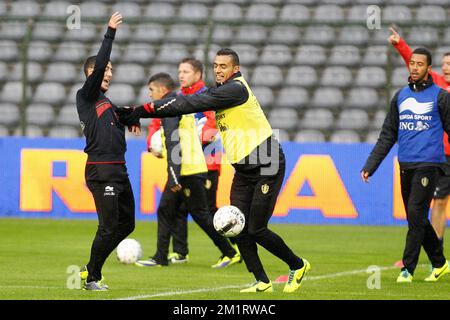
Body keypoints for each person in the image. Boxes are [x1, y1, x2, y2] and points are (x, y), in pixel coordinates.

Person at [118, 48, 309, 293]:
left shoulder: (236, 89)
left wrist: (140, 110)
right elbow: (183, 102)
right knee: (235, 225)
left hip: (267, 163)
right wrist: (141, 111)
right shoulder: (220, 91)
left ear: (235, 69)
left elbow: (188, 102)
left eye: (224, 66)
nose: (218, 69)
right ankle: (262, 281)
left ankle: (298, 264)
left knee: (256, 228)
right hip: (244, 169)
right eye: (216, 65)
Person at [361, 47, 450, 283]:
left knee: (415, 213)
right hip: (406, 164)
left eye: (420, 64)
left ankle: (407, 269)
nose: (414, 67)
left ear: (429, 69)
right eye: (412, 63)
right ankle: (440, 263)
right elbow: (387, 135)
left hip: (429, 164)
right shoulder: (400, 96)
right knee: (417, 216)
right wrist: (371, 164)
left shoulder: (441, 96)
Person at [135, 73, 240, 268]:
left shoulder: (170, 107)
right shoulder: (178, 102)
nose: (149, 94)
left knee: (199, 214)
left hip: (186, 170)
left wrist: (174, 177)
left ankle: (230, 251)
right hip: (188, 168)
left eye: (151, 90)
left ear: (162, 89)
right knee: (169, 210)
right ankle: (161, 256)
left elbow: (174, 142)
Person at [76, 12, 139, 291]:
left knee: (127, 225)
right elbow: (100, 64)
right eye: (106, 70)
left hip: (118, 169)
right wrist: (110, 32)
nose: (109, 74)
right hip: (101, 170)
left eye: (112, 70)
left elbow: (119, 115)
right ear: (92, 74)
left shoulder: (106, 102)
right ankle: (92, 278)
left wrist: (132, 118)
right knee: (108, 226)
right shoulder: (86, 95)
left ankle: (91, 267)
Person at [389, 27, 450, 249]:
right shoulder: (437, 86)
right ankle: (438, 249)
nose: (445, 67)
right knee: (438, 202)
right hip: (440, 154)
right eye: (443, 63)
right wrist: (399, 44)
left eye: (449, 64)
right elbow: (415, 65)